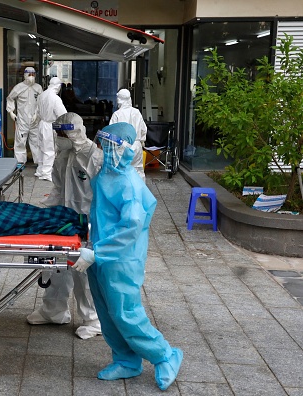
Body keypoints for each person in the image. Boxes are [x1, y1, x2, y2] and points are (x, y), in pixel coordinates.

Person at [72, 122, 183, 391]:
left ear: (124, 149)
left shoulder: (129, 184)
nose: (105, 151)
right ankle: (126, 360)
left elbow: (130, 228)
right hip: (98, 254)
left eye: (110, 146)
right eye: (104, 145)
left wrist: (97, 252)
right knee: (108, 314)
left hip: (121, 259)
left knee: (126, 314)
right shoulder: (105, 175)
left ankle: (165, 355)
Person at [30, 112, 103, 339]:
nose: (59, 137)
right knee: (57, 265)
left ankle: (94, 319)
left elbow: (103, 196)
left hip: (88, 222)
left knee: (83, 272)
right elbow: (59, 188)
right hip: (64, 220)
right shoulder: (64, 156)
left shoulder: (95, 157)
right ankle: (54, 311)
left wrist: (97, 225)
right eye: (58, 133)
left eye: (63, 133)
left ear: (74, 132)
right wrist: (47, 209)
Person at [6, 67, 43, 164]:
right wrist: (11, 112)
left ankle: (39, 163)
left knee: (36, 142)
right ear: (25, 75)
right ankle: (20, 162)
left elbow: (41, 102)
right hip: (22, 120)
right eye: (29, 75)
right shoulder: (19, 87)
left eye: (33, 75)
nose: (31, 77)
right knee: (20, 142)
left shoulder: (38, 88)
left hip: (35, 121)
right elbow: (10, 98)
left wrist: (37, 113)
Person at [109, 88, 147, 181]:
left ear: (119, 99)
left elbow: (111, 133)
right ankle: (139, 193)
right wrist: (141, 141)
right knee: (138, 171)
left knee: (121, 172)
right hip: (136, 145)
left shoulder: (117, 114)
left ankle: (124, 193)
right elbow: (143, 129)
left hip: (122, 146)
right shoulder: (136, 112)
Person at [35, 76, 67, 182]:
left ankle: (40, 170)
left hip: (41, 124)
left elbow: (37, 112)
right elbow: (62, 115)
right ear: (58, 86)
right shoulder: (55, 98)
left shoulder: (41, 95)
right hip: (50, 125)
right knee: (49, 150)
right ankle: (46, 173)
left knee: (41, 148)